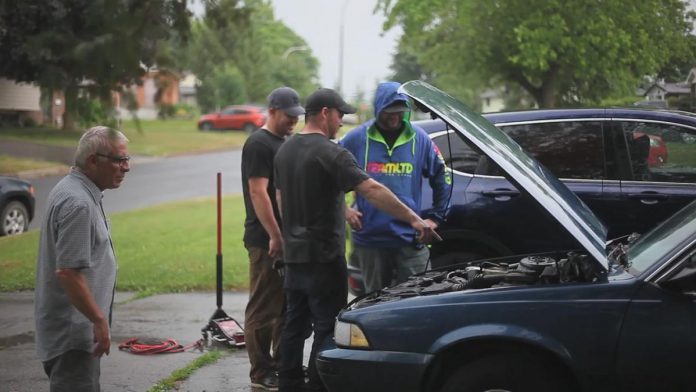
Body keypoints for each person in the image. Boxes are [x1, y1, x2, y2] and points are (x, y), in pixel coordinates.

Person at [274, 88, 440, 392]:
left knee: (294, 325)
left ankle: (289, 384)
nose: (341, 122)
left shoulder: (285, 151)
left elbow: (281, 197)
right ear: (325, 113)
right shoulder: (332, 153)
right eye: (340, 115)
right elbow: (372, 190)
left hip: (294, 256)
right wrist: (413, 218)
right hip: (324, 258)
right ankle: (317, 387)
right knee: (326, 326)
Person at [34, 126, 130, 391]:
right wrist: (98, 320)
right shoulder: (77, 203)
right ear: (92, 161)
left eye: (127, 160)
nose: (126, 167)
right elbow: (68, 272)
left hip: (77, 335)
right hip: (73, 337)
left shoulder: (81, 192)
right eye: (119, 160)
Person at [340, 81, 451, 293]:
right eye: (388, 112)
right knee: (374, 302)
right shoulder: (356, 139)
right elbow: (328, 175)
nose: (394, 117)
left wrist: (436, 217)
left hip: (410, 239)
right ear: (378, 109)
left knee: (416, 299)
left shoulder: (420, 140)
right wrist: (344, 210)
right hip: (370, 238)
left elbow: (442, 177)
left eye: (399, 112)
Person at [241, 86, 305, 391]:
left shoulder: (286, 142)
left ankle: (283, 364)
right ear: (272, 111)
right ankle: (260, 371)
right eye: (288, 116)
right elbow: (258, 191)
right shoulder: (258, 144)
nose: (293, 121)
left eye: (297, 116)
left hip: (287, 237)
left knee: (286, 305)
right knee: (264, 307)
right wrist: (275, 235)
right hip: (265, 238)